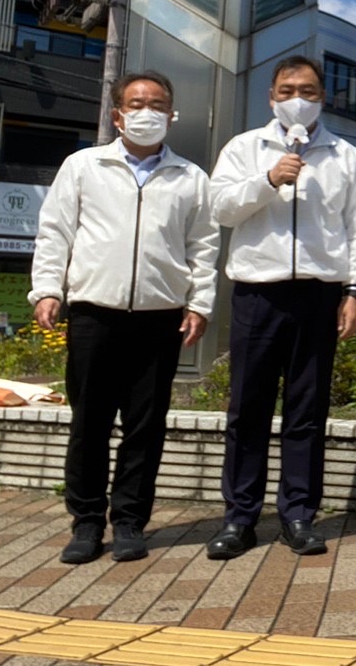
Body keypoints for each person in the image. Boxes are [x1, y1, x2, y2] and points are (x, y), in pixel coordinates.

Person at [30, 72, 219, 565]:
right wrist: (47, 289)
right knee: (89, 424)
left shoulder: (190, 177)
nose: (146, 112)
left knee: (145, 427)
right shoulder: (84, 166)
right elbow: (55, 232)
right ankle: (87, 523)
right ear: (117, 115)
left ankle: (131, 522)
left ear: (171, 115)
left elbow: (203, 247)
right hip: (94, 313)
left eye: (157, 104)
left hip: (160, 317)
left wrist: (200, 302)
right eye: (136, 104)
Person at [206, 56, 356, 559]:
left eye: (307, 90)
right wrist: (267, 179)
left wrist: (354, 291)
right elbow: (220, 208)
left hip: (320, 294)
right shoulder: (244, 148)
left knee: (307, 411)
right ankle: (239, 517)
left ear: (322, 98)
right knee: (247, 409)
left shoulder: (346, 156)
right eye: (286, 90)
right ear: (271, 97)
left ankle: (299, 515)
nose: (296, 99)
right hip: (258, 291)